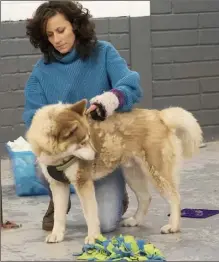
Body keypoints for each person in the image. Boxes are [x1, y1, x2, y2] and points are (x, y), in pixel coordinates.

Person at [22, 1, 143, 233]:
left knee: (107, 224)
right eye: (50, 34)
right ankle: (59, 197)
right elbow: (31, 115)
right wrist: (48, 130)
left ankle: (117, 194)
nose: (57, 39)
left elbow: (131, 84)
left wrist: (111, 99)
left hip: (101, 153)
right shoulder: (40, 73)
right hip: (67, 152)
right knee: (40, 167)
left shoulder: (104, 52)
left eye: (61, 30)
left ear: (75, 26)